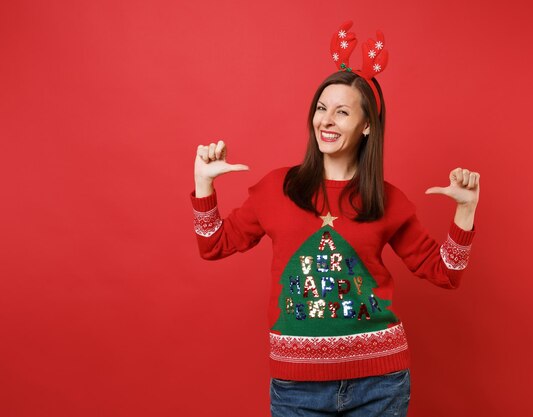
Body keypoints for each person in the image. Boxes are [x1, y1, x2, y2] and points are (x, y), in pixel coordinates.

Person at [190, 22, 480, 417]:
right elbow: (214, 245)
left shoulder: (386, 200)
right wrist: (204, 186)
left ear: (365, 127)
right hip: (297, 388)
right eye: (321, 109)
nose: (326, 120)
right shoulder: (278, 188)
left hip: (380, 384)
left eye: (342, 112)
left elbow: (445, 273)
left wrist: (465, 210)